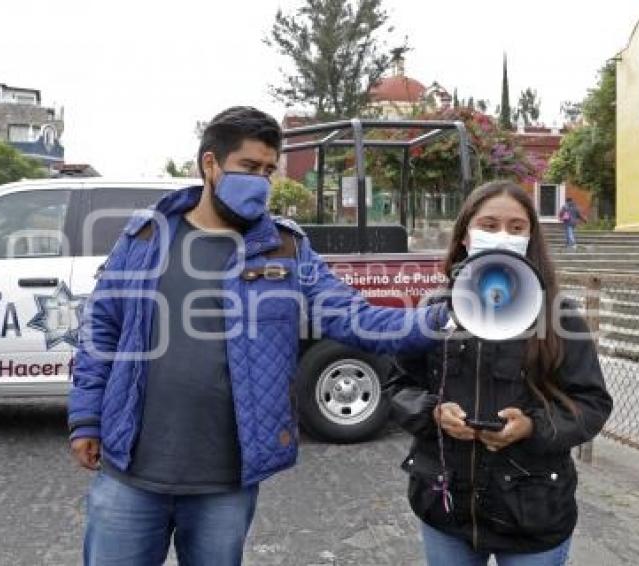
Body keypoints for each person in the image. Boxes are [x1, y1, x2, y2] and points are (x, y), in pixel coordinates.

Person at [68, 106, 449, 565]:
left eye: (269, 170)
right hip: (129, 472)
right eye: (249, 168)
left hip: (224, 482)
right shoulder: (148, 235)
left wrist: (439, 321)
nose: (262, 182)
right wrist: (86, 418)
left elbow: (352, 315)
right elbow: (101, 328)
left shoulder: (284, 247)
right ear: (210, 164)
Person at [389, 181, 612, 566]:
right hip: (446, 507)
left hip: (533, 514)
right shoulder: (434, 309)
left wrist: (533, 426)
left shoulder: (560, 316)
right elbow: (398, 387)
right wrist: (433, 413)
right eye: (489, 225)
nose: (502, 236)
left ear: (530, 237)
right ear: (464, 236)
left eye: (516, 228)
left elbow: (591, 404)